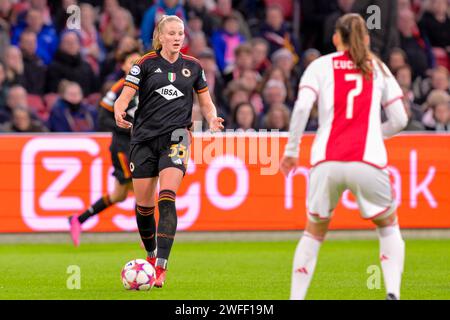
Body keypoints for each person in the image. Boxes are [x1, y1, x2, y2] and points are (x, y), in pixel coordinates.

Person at [280, 14, 408, 300]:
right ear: (365, 38)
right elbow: (399, 119)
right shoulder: (378, 67)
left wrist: (291, 151)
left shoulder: (319, 66)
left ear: (336, 38)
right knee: (388, 227)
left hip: (327, 161)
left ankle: (296, 298)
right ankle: (392, 292)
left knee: (313, 233)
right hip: (369, 162)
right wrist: (375, 133)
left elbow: (301, 109)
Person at [114, 15, 224, 288]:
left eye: (180, 33)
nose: (177, 37)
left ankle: (161, 266)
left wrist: (212, 118)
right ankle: (150, 256)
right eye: (172, 33)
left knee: (167, 196)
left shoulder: (194, 67)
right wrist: (119, 109)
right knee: (143, 206)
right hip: (143, 140)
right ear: (160, 37)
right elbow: (124, 97)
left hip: (177, 137)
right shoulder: (145, 64)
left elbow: (206, 102)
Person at [68, 50, 142, 247]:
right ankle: (146, 236)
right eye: (131, 62)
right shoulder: (118, 88)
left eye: (138, 61)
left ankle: (78, 219)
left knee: (119, 195)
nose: (136, 65)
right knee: (142, 188)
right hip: (122, 147)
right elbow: (102, 118)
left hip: (138, 145)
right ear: (124, 66)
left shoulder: (146, 86)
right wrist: (128, 129)